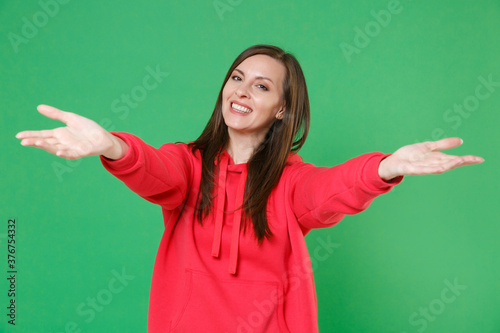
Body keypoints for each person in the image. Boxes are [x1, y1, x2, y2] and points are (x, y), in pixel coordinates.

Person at [16, 45, 483, 332]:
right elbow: (154, 169)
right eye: (237, 78)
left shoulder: (290, 184)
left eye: (261, 86)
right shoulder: (188, 165)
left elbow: (329, 189)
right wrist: (112, 146)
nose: (241, 91)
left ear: (282, 109)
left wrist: (385, 167)